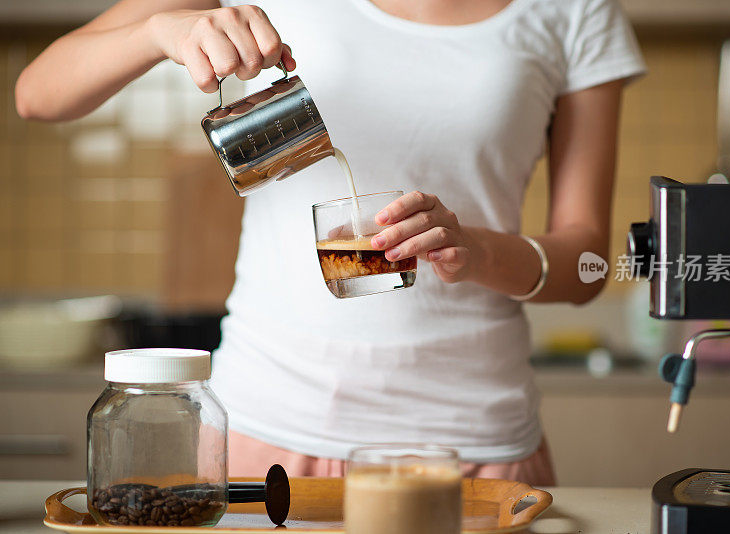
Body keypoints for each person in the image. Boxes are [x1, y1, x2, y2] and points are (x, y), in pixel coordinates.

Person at [16, 0, 645, 485]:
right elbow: (37, 93)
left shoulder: (576, 11)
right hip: (264, 433)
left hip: (471, 444)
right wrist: (163, 29)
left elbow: (588, 265)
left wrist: (477, 250)